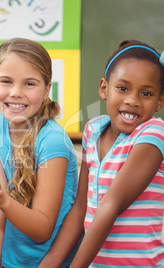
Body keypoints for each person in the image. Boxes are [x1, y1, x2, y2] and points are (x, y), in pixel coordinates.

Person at [44, 39, 164, 267]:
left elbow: (110, 206)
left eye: (146, 94)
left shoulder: (153, 134)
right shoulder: (92, 130)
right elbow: (80, 210)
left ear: (160, 101)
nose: (132, 100)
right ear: (103, 88)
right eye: (122, 88)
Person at [0, 38, 79, 268]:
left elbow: (42, 230)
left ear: (46, 90)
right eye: (6, 81)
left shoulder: (52, 141)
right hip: (8, 260)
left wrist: (3, 200)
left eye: (29, 84)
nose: (15, 92)